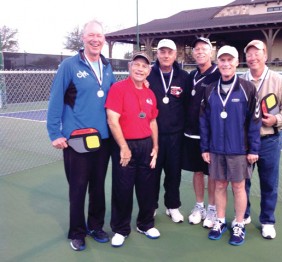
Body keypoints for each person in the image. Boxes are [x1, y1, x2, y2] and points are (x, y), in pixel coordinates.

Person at [46, 20, 115, 251]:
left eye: (100, 36)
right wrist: (55, 133)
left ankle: (95, 226)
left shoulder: (107, 66)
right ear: (83, 39)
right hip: (76, 140)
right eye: (91, 35)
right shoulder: (69, 65)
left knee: (98, 186)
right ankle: (77, 232)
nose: (96, 39)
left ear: (104, 40)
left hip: (103, 139)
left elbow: (114, 97)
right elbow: (56, 99)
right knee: (78, 188)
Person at [200, 45, 261, 246]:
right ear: (218, 63)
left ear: (236, 62)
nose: (226, 64)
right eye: (222, 60)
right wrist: (205, 147)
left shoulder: (248, 88)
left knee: (238, 186)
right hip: (216, 149)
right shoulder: (209, 89)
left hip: (238, 150)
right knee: (218, 185)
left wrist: (253, 149)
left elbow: (254, 120)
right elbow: (204, 121)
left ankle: (239, 224)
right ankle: (219, 221)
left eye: (230, 60)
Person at [242, 40, 282, 239]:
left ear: (265, 55)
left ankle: (267, 221)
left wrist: (276, 119)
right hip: (244, 143)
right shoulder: (239, 80)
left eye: (257, 53)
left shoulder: (280, 81)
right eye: (249, 54)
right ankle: (244, 214)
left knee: (269, 183)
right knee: (242, 182)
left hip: (269, 141)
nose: (253, 57)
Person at [105, 52, 160, 247]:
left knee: (147, 188)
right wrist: (123, 147)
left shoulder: (150, 93)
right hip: (124, 145)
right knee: (123, 188)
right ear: (129, 66)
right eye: (136, 64)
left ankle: (145, 224)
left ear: (149, 71)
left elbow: (152, 120)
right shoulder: (118, 89)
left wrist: (155, 146)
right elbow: (112, 120)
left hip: (145, 146)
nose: (140, 69)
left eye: (144, 66)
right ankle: (121, 229)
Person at [147, 39, 189, 223]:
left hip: (176, 136)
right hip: (152, 136)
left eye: (169, 52)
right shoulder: (148, 75)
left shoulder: (184, 77)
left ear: (175, 55)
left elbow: (188, 105)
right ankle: (151, 206)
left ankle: (172, 206)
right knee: (152, 173)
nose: (165, 55)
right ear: (157, 54)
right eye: (162, 51)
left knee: (174, 173)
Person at [182, 37, 221, 228]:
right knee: (197, 172)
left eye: (203, 49)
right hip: (191, 134)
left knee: (212, 173)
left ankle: (213, 208)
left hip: (211, 136)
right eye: (196, 49)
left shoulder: (218, 74)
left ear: (211, 52)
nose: (199, 52)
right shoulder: (191, 76)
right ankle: (199, 206)